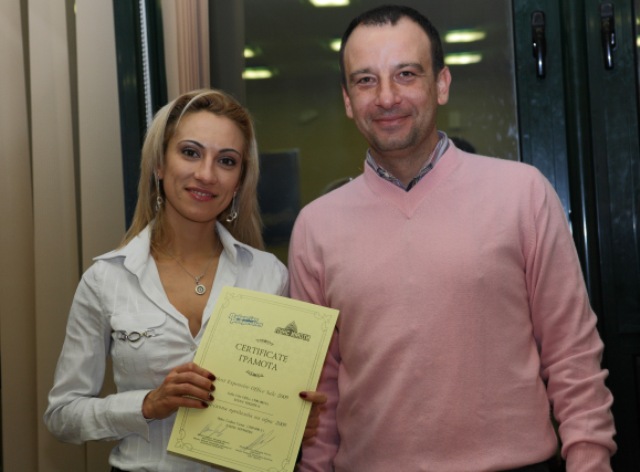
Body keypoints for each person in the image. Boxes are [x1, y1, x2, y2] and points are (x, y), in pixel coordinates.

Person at [288, 5, 616, 472]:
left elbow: (572, 354)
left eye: (406, 74)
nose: (386, 97)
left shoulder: (521, 193)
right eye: (365, 80)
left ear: (441, 84)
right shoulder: (316, 225)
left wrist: (590, 461)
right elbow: (319, 386)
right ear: (347, 99)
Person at [44, 89, 325, 471]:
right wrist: (147, 404)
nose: (206, 174)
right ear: (159, 164)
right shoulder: (106, 280)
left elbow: (275, 408)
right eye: (190, 152)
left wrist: (293, 422)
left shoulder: (268, 275)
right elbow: (62, 415)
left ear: (239, 180)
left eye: (226, 161)